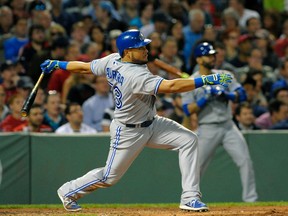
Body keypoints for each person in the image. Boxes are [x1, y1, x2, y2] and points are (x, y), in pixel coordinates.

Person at [40, 29, 232, 212]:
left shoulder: (112, 60)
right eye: (141, 47)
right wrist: (205, 80)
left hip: (151, 123)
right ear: (128, 52)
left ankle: (190, 197)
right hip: (128, 131)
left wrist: (58, 64)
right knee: (109, 177)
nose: (146, 50)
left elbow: (84, 67)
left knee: (188, 140)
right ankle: (68, 191)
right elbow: (172, 86)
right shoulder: (135, 75)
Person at [181, 42, 258, 203]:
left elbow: (242, 95)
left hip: (228, 125)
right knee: (197, 167)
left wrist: (227, 95)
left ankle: (251, 200)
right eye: (208, 55)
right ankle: (190, 198)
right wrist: (205, 98)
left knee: (245, 161)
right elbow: (188, 110)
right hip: (207, 127)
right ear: (199, 59)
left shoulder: (223, 74)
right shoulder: (192, 81)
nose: (213, 57)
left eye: (213, 54)